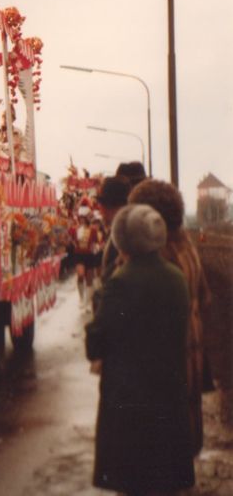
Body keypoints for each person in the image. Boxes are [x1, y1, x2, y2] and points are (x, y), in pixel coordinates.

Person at [86, 204, 194, 494]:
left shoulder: (120, 282)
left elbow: (95, 342)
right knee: (165, 481)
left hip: (130, 404)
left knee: (134, 483)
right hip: (169, 396)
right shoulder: (176, 278)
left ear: (125, 241)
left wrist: (95, 308)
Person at [129, 178, 210, 456]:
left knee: (159, 449)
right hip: (190, 354)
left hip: (165, 363)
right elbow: (205, 298)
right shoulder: (188, 249)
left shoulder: (157, 256)